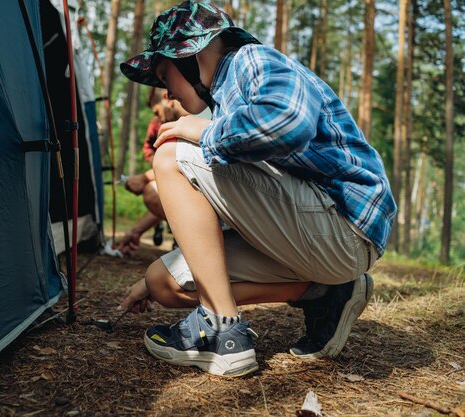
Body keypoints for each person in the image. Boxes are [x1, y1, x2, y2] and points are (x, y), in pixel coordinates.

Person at [116, 0, 397, 378]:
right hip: (312, 239)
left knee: (170, 155)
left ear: (190, 56)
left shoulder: (252, 60)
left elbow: (288, 122)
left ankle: (221, 330)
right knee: (163, 283)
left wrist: (203, 132)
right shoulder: (226, 98)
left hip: (344, 223)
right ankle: (324, 292)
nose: (167, 94)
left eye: (166, 77)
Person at [117, 88, 189, 254]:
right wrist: (136, 231)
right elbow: (170, 202)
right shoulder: (179, 122)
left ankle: (197, 247)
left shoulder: (192, 118)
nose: (159, 118)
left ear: (168, 98)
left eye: (157, 111)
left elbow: (181, 161)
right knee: (160, 190)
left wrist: (143, 178)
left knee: (152, 190)